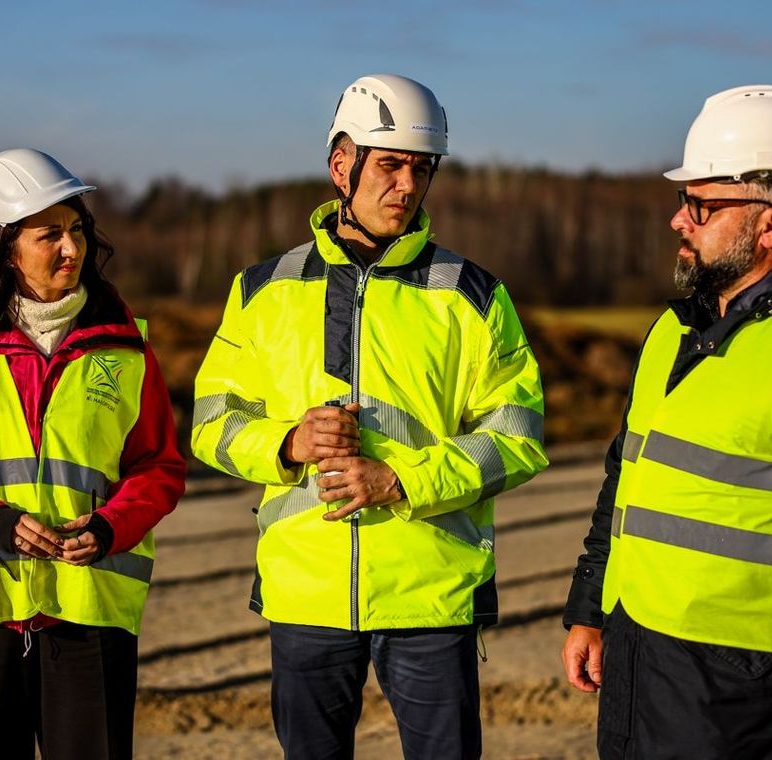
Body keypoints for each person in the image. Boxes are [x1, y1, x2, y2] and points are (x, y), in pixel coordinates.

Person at [191, 73, 548, 759]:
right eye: (389, 165)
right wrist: (287, 442)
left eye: (422, 169)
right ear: (341, 165)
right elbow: (211, 422)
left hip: (432, 594)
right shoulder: (262, 291)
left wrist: (404, 482)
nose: (407, 186)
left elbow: (519, 437)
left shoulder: (474, 296)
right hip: (305, 596)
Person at [561, 85, 772, 760]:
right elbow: (624, 481)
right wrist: (590, 606)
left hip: (740, 692)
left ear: (771, 225)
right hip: (639, 657)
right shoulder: (673, 328)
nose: (677, 220)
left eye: (701, 204)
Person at [0, 148, 186, 760]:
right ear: (2, 247)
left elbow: (160, 467)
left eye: (77, 230)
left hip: (90, 606)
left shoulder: (125, 348)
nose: (71, 249)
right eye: (49, 235)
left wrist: (110, 526)